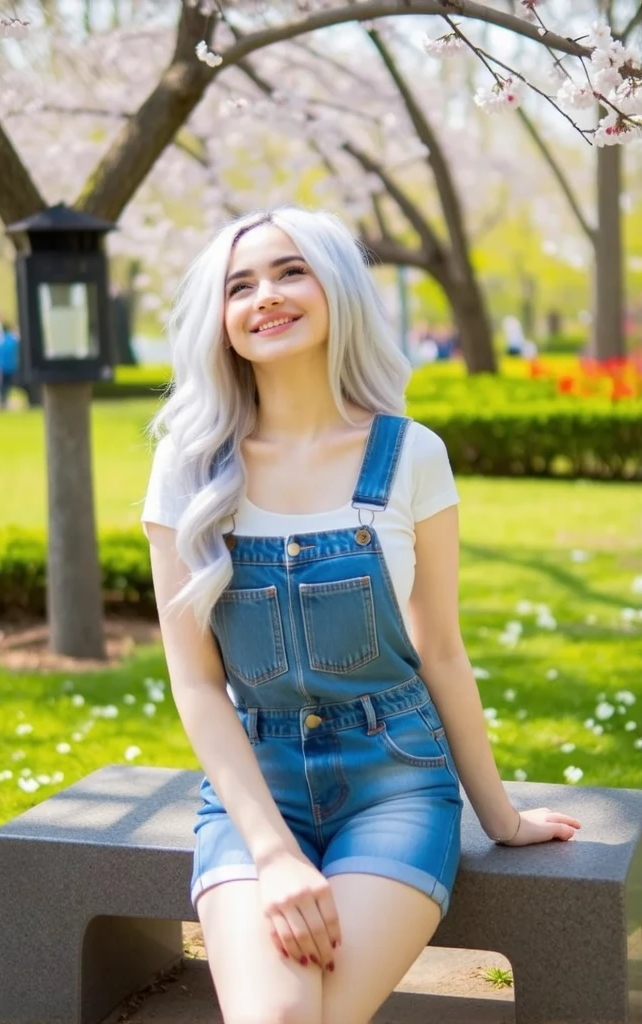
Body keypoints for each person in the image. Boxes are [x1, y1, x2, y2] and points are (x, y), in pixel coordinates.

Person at [140, 207, 581, 1024]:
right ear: (222, 319)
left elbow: (440, 647)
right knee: (277, 1016)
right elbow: (197, 684)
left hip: (399, 783)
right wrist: (272, 854)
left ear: (336, 286)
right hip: (256, 789)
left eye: (289, 272)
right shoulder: (190, 470)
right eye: (241, 285)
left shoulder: (410, 453)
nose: (265, 296)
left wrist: (501, 817)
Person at [0, 323, 19, 410]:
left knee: (3, 385)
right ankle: (2, 402)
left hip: (4, 366)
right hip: (10, 366)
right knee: (6, 385)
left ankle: (2, 401)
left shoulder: (3, 340)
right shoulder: (13, 341)